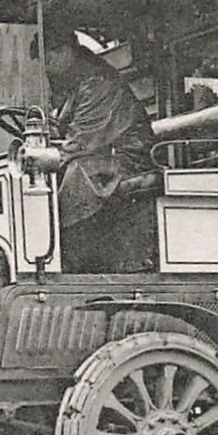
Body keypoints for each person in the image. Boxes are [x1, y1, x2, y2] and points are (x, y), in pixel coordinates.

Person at [43, 38, 157, 272]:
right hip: (104, 157)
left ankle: (67, 255)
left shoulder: (99, 84)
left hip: (126, 161)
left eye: (48, 58)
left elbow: (81, 142)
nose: (45, 67)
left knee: (77, 175)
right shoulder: (78, 86)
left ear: (66, 51)